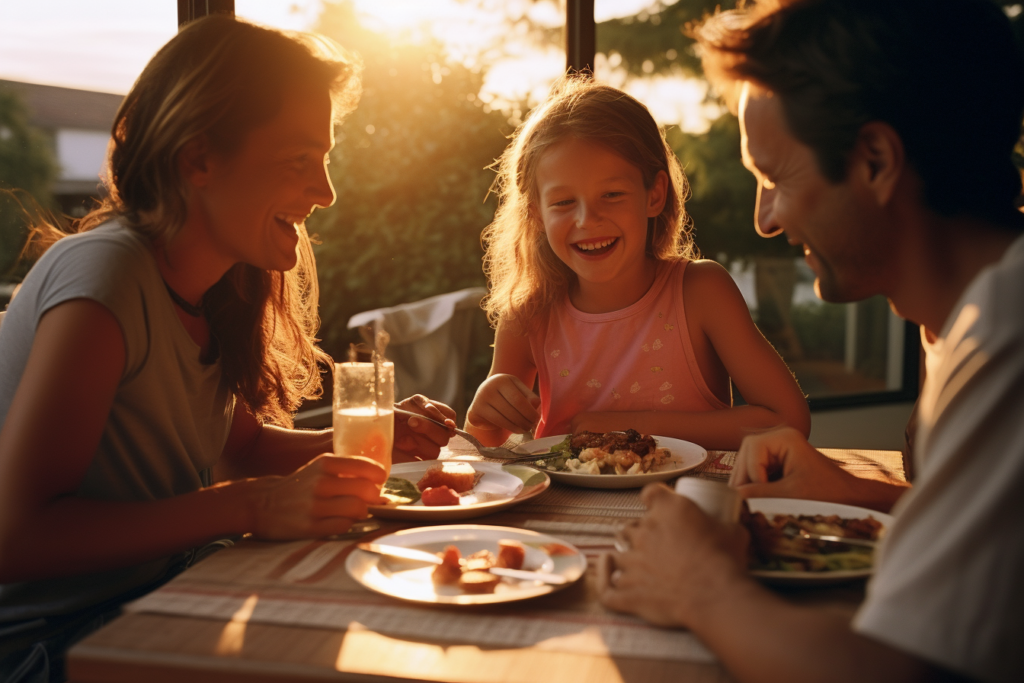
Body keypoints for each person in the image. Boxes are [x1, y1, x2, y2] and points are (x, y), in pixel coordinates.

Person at [0, 16, 455, 681]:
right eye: (301, 161)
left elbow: (238, 449)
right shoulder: (106, 277)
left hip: (159, 590)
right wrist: (256, 505)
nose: (326, 192)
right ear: (199, 158)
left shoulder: (217, 289)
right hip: (52, 641)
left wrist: (368, 437)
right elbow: (18, 537)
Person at [600, 1, 1024, 681]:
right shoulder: (952, 314)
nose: (765, 219)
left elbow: (894, 671)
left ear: (877, 160)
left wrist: (699, 585)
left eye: (774, 178)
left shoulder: (1007, 334)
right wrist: (859, 492)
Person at [465, 78, 810, 451]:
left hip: (688, 506)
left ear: (655, 195)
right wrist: (482, 416)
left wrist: (619, 427)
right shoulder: (529, 314)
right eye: (563, 202)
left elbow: (786, 421)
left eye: (612, 195)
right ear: (537, 215)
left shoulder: (700, 291)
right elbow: (485, 450)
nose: (587, 220)